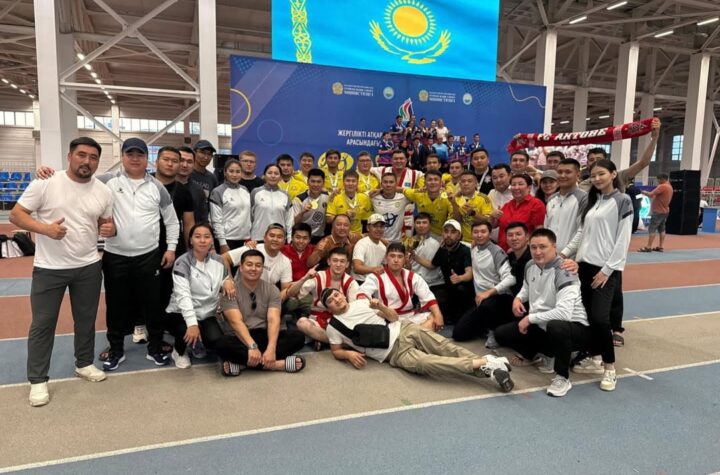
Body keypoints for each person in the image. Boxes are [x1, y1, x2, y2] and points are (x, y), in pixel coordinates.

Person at [10, 137, 114, 406]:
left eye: (93, 157)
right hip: (50, 268)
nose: (87, 161)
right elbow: (16, 215)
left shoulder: (103, 191)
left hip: (88, 266)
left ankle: (84, 363)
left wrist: (109, 229)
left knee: (86, 320)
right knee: (43, 324)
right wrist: (45, 229)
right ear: (69, 156)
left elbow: (105, 223)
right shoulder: (45, 182)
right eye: (82, 155)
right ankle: (37, 380)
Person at [323, 289, 514, 392]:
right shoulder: (333, 327)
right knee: (429, 363)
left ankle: (489, 367)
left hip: (404, 329)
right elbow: (336, 350)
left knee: (444, 347)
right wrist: (348, 354)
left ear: (342, 294)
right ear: (328, 308)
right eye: (331, 300)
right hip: (394, 353)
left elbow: (394, 317)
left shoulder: (362, 303)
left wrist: (380, 306)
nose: (336, 299)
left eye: (336, 294)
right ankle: (486, 363)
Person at [562, 159, 633, 391]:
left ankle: (609, 368)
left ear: (613, 174)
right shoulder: (592, 201)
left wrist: (607, 270)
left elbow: (623, 240)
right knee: (588, 317)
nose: (597, 179)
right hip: (584, 267)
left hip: (604, 270)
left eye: (601, 174)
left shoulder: (623, 201)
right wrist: (564, 253)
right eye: (593, 176)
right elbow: (581, 232)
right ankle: (593, 357)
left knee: (601, 319)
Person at [495, 229, 591, 397]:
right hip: (542, 324)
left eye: (543, 247)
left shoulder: (565, 270)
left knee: (556, 326)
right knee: (501, 334)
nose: (537, 252)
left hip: (573, 327)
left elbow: (564, 314)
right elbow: (526, 287)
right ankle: (548, 353)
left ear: (554, 247)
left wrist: (530, 318)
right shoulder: (530, 265)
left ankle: (562, 377)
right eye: (533, 247)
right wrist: (518, 299)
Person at [215, 249, 306, 376]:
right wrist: (252, 347)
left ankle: (243, 364)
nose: (253, 268)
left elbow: (273, 319)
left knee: (298, 337)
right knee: (221, 344)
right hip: (242, 337)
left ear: (262, 269)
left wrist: (271, 348)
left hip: (265, 334)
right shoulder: (230, 290)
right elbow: (236, 323)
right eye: (249, 264)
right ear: (241, 268)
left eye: (258, 265)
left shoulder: (272, 289)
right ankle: (277, 365)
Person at [164, 223, 235, 369]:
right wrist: (192, 324)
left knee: (215, 340)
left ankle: (197, 342)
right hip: (180, 312)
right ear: (191, 240)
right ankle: (179, 351)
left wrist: (227, 281)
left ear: (212, 240)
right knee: (184, 330)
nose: (202, 240)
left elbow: (223, 278)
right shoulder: (182, 262)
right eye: (197, 237)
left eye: (207, 237)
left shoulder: (219, 260)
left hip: (207, 313)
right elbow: (183, 296)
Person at [452, 220, 516, 346]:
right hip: (480, 300)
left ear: (490, 233)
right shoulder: (473, 249)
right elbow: (460, 244)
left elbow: (511, 278)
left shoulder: (496, 251)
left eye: (483, 232)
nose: (479, 235)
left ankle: (494, 331)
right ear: (472, 234)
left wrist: (489, 292)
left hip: (499, 298)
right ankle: (484, 326)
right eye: (476, 232)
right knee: (458, 334)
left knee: (488, 305)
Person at [358, 242, 443, 330]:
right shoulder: (376, 277)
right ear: (386, 258)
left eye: (400, 256)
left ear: (405, 259)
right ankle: (413, 335)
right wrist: (372, 303)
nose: (396, 260)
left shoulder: (412, 277)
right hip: (386, 317)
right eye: (392, 256)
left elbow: (428, 297)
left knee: (433, 317)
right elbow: (362, 293)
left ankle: (409, 335)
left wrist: (439, 316)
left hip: (409, 316)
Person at [290, 247, 359, 348]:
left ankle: (319, 338)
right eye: (335, 260)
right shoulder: (318, 276)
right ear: (328, 261)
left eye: (342, 261)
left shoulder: (351, 283)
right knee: (302, 323)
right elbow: (294, 294)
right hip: (318, 319)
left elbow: (354, 308)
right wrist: (305, 278)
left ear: (347, 264)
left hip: (341, 320)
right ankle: (342, 343)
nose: (338, 264)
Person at [578, 118, 661, 193]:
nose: (595, 162)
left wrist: (654, 138)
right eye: (591, 160)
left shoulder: (619, 177)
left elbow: (643, 163)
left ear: (606, 161)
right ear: (587, 163)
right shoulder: (582, 186)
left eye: (599, 159)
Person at [225, 223, 293, 298]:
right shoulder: (252, 248)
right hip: (239, 294)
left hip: (264, 298)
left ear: (284, 241)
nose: (275, 239)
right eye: (272, 235)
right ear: (264, 238)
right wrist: (228, 279)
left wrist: (274, 302)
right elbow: (224, 258)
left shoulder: (285, 261)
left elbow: (285, 289)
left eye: (279, 237)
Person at [431, 219, 474, 322]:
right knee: (433, 293)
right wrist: (414, 257)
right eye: (446, 231)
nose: (448, 235)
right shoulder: (442, 249)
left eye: (453, 232)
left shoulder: (465, 250)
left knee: (461, 290)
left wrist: (460, 278)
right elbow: (431, 265)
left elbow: (469, 274)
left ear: (459, 236)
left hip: (464, 289)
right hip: (448, 288)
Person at [209, 159, 252, 253]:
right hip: (227, 240)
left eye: (238, 171)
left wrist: (250, 237)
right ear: (225, 172)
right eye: (231, 171)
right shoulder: (218, 192)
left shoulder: (245, 190)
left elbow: (248, 216)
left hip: (246, 240)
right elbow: (216, 220)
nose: (234, 175)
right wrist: (222, 243)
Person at [546, 158, 587, 253]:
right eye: (559, 172)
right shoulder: (551, 199)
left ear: (578, 175)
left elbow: (582, 231)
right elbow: (546, 227)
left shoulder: (584, 198)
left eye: (568, 172)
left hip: (572, 257)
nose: (562, 175)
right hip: (551, 255)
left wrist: (565, 253)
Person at [497, 174, 546, 251]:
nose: (516, 187)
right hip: (502, 252)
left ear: (529, 188)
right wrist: (492, 216)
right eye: (513, 185)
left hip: (523, 252)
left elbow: (539, 233)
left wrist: (519, 248)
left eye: (520, 184)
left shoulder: (536, 204)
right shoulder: (507, 205)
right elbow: (495, 224)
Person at [250, 164, 293, 242]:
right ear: (264, 176)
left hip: (278, 239)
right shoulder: (255, 192)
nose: (273, 176)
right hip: (257, 238)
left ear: (280, 177)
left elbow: (289, 219)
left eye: (276, 173)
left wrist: (289, 238)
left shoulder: (285, 195)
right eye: (270, 173)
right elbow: (249, 217)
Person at [403, 171, 452, 239]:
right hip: (422, 233)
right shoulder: (418, 194)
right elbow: (402, 190)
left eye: (436, 180)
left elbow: (453, 220)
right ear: (424, 183)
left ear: (441, 183)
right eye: (429, 180)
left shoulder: (447, 198)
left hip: (440, 235)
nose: (432, 182)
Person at [406, 213, 445, 295]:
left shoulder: (437, 243)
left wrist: (414, 256)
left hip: (434, 284)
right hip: (414, 283)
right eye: (418, 223)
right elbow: (406, 267)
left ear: (430, 225)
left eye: (424, 222)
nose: (421, 225)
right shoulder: (407, 243)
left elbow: (432, 266)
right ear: (414, 225)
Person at [450, 171, 493, 243]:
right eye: (463, 181)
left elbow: (488, 221)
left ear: (476, 183)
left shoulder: (484, 198)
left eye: (469, 181)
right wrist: (454, 204)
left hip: (480, 240)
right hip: (461, 241)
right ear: (460, 184)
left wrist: (473, 213)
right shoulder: (455, 199)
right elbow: (457, 221)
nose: (466, 184)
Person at [326, 170, 373, 235]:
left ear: (357, 183)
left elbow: (367, 220)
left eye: (353, 181)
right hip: (339, 235)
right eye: (348, 181)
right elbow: (328, 219)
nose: (350, 183)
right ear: (343, 182)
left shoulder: (364, 198)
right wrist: (344, 216)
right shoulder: (335, 197)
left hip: (357, 235)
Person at [638, 173, 673, 252]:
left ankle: (648, 247)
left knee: (652, 229)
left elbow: (651, 194)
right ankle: (660, 246)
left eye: (658, 179)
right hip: (665, 211)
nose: (657, 181)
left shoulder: (662, 186)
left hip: (658, 211)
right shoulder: (670, 187)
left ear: (662, 179)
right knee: (662, 229)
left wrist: (643, 192)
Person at [292, 168, 328, 243]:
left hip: (321, 237)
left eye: (319, 182)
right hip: (303, 238)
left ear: (323, 183)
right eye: (313, 181)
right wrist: (302, 212)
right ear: (308, 182)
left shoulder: (328, 197)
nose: (315, 185)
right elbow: (295, 222)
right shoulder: (299, 199)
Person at [370, 173, 410, 241]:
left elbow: (417, 194)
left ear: (396, 184)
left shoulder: (403, 197)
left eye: (391, 182)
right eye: (385, 182)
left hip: (396, 241)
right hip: (378, 240)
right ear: (381, 184)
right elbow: (361, 195)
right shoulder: (373, 197)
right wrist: (379, 190)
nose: (388, 185)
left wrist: (401, 189)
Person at [351, 214, 387, 284]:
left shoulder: (383, 247)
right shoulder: (361, 244)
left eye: (381, 227)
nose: (379, 229)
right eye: (375, 226)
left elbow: (384, 266)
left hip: (374, 282)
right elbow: (357, 268)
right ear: (368, 228)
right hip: (359, 282)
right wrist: (374, 269)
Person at [177, 146, 209, 224]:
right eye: (181, 160)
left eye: (189, 162)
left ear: (194, 164)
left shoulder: (198, 190)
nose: (185, 165)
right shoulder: (163, 185)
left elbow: (203, 218)